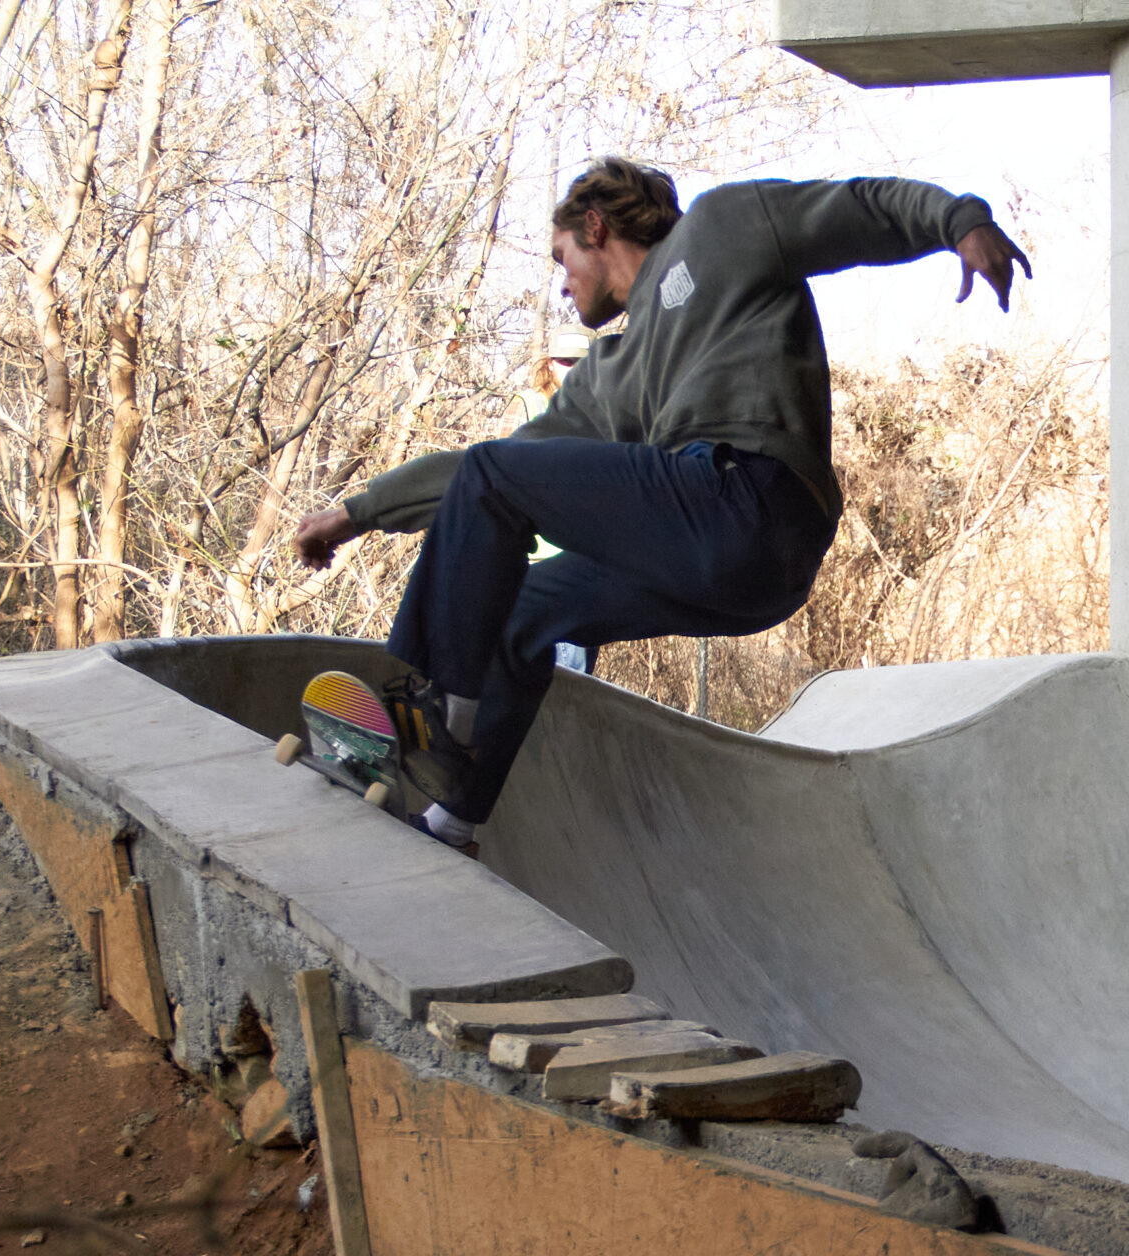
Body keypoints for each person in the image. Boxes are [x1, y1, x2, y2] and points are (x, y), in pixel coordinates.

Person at [292, 159, 1031, 848]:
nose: (562, 286)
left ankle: (442, 714)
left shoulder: (722, 228)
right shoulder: (611, 374)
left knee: (498, 480)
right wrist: (356, 514)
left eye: (562, 260)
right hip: (733, 574)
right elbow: (479, 478)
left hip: (750, 498)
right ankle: (452, 821)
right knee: (525, 609)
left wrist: (959, 222)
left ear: (595, 226)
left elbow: (856, 208)